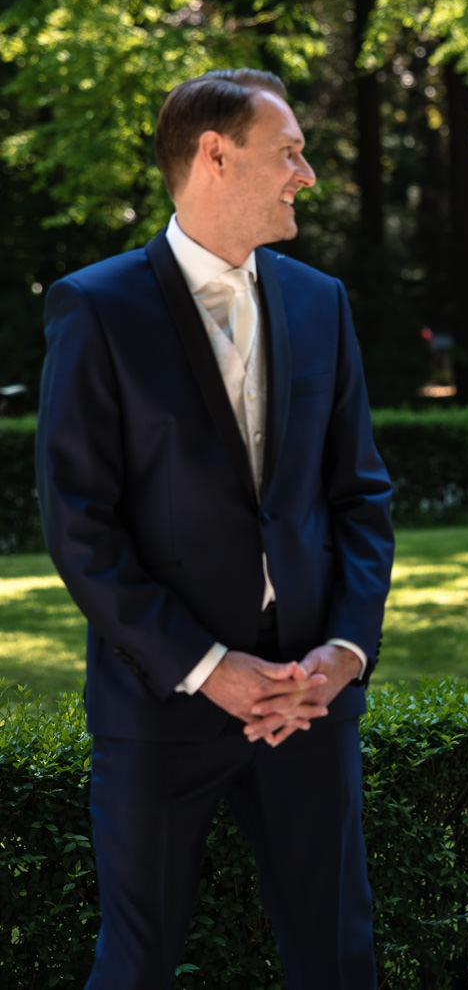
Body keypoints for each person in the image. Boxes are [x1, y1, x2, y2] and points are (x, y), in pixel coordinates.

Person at [34, 68, 394, 988]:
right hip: (159, 705)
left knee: (339, 961)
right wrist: (206, 666)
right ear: (215, 156)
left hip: (310, 699)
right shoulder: (97, 306)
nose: (306, 174)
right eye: (291, 152)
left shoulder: (323, 303)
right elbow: (80, 526)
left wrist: (343, 652)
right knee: (137, 965)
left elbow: (360, 497)